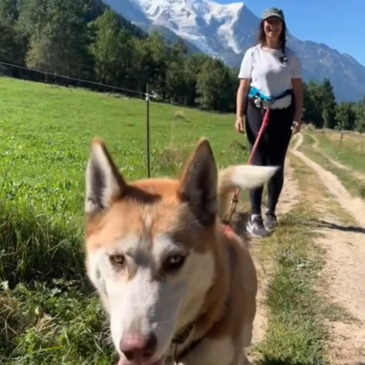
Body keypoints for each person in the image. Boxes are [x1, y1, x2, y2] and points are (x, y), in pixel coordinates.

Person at [234, 7, 304, 238]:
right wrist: (239, 114)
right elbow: (243, 87)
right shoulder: (252, 54)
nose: (271, 26)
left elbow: (297, 90)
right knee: (258, 163)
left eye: (276, 22)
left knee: (276, 164)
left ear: (282, 27)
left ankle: (271, 211)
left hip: (282, 114)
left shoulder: (291, 57)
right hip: (256, 111)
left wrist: (297, 116)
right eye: (267, 22)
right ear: (262, 26)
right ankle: (255, 215)